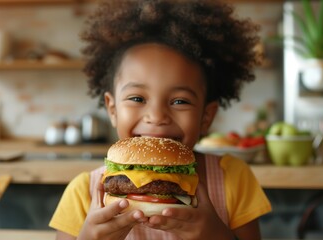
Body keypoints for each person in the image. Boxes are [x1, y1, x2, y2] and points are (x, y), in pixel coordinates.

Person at [49, 1, 272, 239]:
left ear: (206, 116)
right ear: (112, 109)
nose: (156, 117)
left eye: (180, 101)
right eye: (137, 98)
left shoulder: (233, 178)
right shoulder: (83, 192)